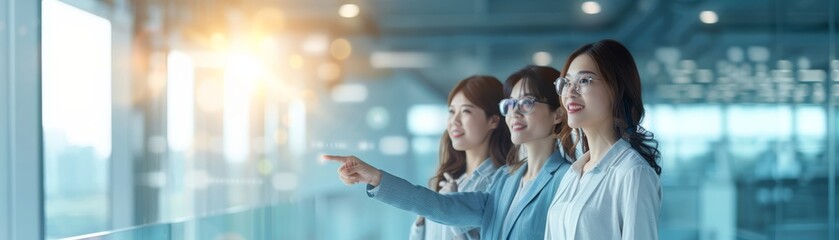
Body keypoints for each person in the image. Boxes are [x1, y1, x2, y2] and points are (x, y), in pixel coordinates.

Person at [324, 65, 574, 240]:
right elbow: (440, 206)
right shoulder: (505, 181)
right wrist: (375, 177)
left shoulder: (568, 177)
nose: (515, 113)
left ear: (559, 113)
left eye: (527, 102)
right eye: (510, 104)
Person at [545, 39, 663, 240]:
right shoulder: (573, 174)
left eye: (584, 81)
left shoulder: (632, 173)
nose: (570, 92)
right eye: (566, 83)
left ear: (616, 89)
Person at [409, 75, 513, 240]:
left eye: (466, 111)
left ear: (493, 120)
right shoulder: (454, 180)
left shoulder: (500, 183)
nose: (454, 121)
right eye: (451, 111)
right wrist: (422, 220)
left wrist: (452, 207)